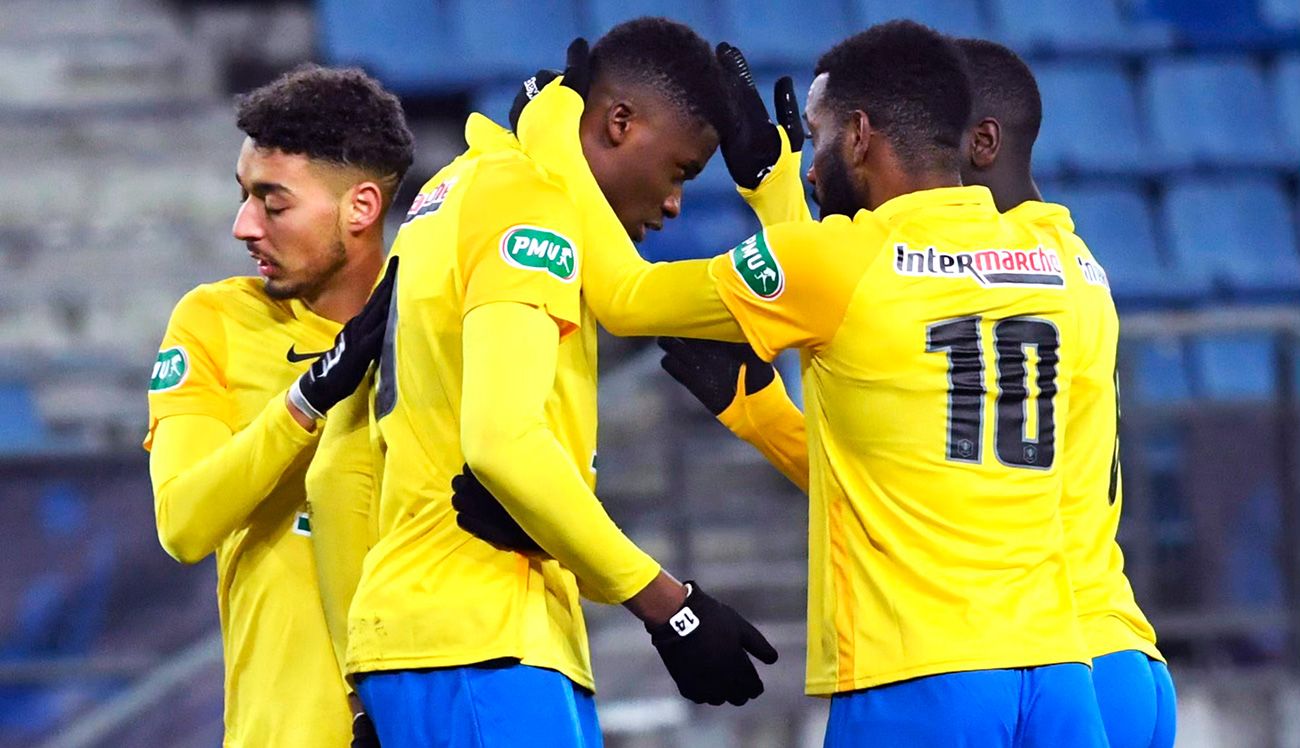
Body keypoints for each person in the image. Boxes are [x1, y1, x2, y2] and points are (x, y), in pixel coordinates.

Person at [494, 20, 1112, 745]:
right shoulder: (1060, 259)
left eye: (815, 139)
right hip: (1063, 673)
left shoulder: (839, 262)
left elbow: (625, 297)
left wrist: (550, 128)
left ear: (859, 136)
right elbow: (859, 350)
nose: (812, 167)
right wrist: (777, 191)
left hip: (919, 675)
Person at [344, 20, 777, 748]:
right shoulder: (529, 206)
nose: (674, 205)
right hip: (481, 632)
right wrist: (672, 607)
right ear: (618, 122)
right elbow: (503, 442)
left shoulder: (453, 189)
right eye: (678, 172)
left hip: (439, 635)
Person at [144, 65, 411, 746]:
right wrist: (309, 399)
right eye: (244, 196)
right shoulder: (214, 321)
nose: (243, 226)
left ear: (361, 208)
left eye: (273, 202)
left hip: (423, 719)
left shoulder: (437, 329)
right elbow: (183, 521)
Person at [957, 36, 1176, 748]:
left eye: (926, 139)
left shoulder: (990, 277)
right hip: (1123, 647)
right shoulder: (1074, 262)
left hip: (1061, 666)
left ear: (979, 143)